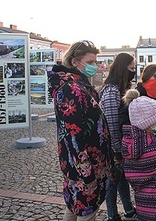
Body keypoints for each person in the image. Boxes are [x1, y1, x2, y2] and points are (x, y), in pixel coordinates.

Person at [48, 40, 111, 221]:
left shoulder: (80, 85)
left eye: (95, 62)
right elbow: (73, 133)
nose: (95, 66)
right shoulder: (71, 89)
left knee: (76, 206)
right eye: (90, 62)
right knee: (87, 211)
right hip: (83, 163)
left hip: (85, 161)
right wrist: (85, 169)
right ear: (75, 62)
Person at [99, 53, 137, 221]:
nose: (134, 71)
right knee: (112, 182)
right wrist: (117, 152)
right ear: (123, 69)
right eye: (132, 68)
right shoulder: (112, 92)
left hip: (120, 146)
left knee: (121, 179)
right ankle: (112, 215)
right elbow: (113, 126)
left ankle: (128, 210)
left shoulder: (120, 89)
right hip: (113, 148)